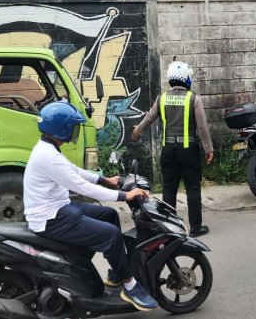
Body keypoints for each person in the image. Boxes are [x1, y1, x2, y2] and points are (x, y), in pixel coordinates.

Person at [23, 101, 157, 311]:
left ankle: (115, 274)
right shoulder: (47, 156)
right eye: (73, 127)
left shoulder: (47, 148)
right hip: (50, 218)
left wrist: (106, 179)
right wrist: (125, 195)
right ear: (62, 129)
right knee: (111, 235)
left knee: (109, 215)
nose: (75, 131)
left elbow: (74, 171)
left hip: (58, 207)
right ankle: (130, 286)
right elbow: (84, 188)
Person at [131, 61, 214, 237]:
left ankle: (170, 228)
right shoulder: (193, 98)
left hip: (168, 151)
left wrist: (138, 130)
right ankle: (196, 228)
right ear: (186, 79)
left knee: (169, 189)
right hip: (188, 151)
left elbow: (149, 117)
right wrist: (208, 148)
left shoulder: (162, 98)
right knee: (192, 188)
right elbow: (202, 127)